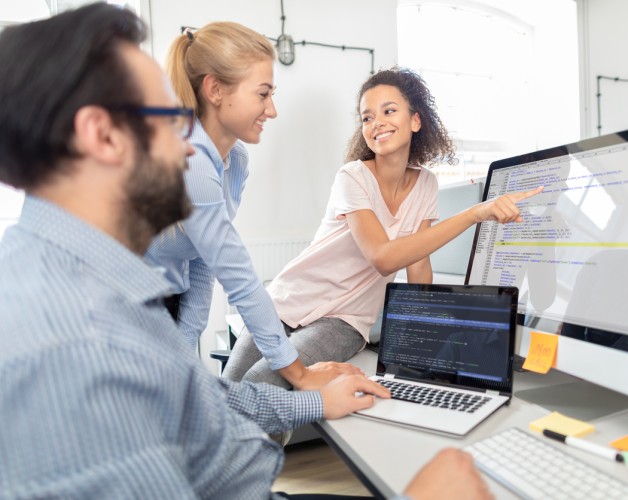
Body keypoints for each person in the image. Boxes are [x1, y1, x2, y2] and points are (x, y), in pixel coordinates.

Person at [0, 5, 493, 499]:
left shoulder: (105, 294)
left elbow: (202, 400)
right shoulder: (73, 343)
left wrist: (314, 400)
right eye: (172, 119)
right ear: (102, 136)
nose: (190, 148)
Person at [224, 67, 543, 386]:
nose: (377, 123)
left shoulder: (426, 184)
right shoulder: (352, 177)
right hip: (287, 299)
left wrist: (424, 336)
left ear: (415, 120)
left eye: (389, 111)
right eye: (367, 117)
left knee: (263, 380)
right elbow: (383, 258)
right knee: (229, 390)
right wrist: (474, 213)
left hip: (345, 320)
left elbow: (418, 262)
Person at [144, 21, 357, 390]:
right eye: (262, 94)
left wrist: (182, 347)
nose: (272, 110)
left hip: (166, 302)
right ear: (214, 89)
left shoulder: (235, 161)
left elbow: (203, 261)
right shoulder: (189, 161)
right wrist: (299, 373)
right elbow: (239, 277)